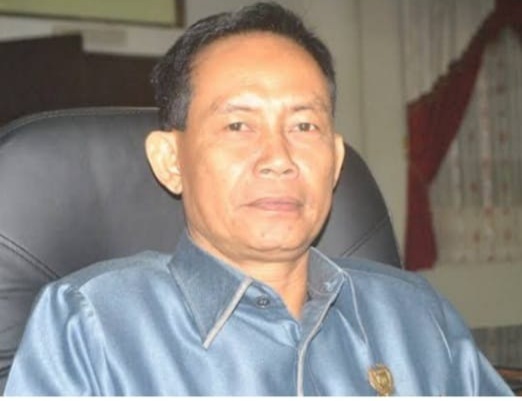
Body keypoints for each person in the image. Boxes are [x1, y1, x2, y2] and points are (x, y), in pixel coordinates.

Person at [3, 2, 513, 396]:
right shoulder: (90, 325)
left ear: (335, 161)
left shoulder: (416, 317)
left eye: (304, 126)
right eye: (238, 125)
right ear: (170, 161)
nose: (279, 158)